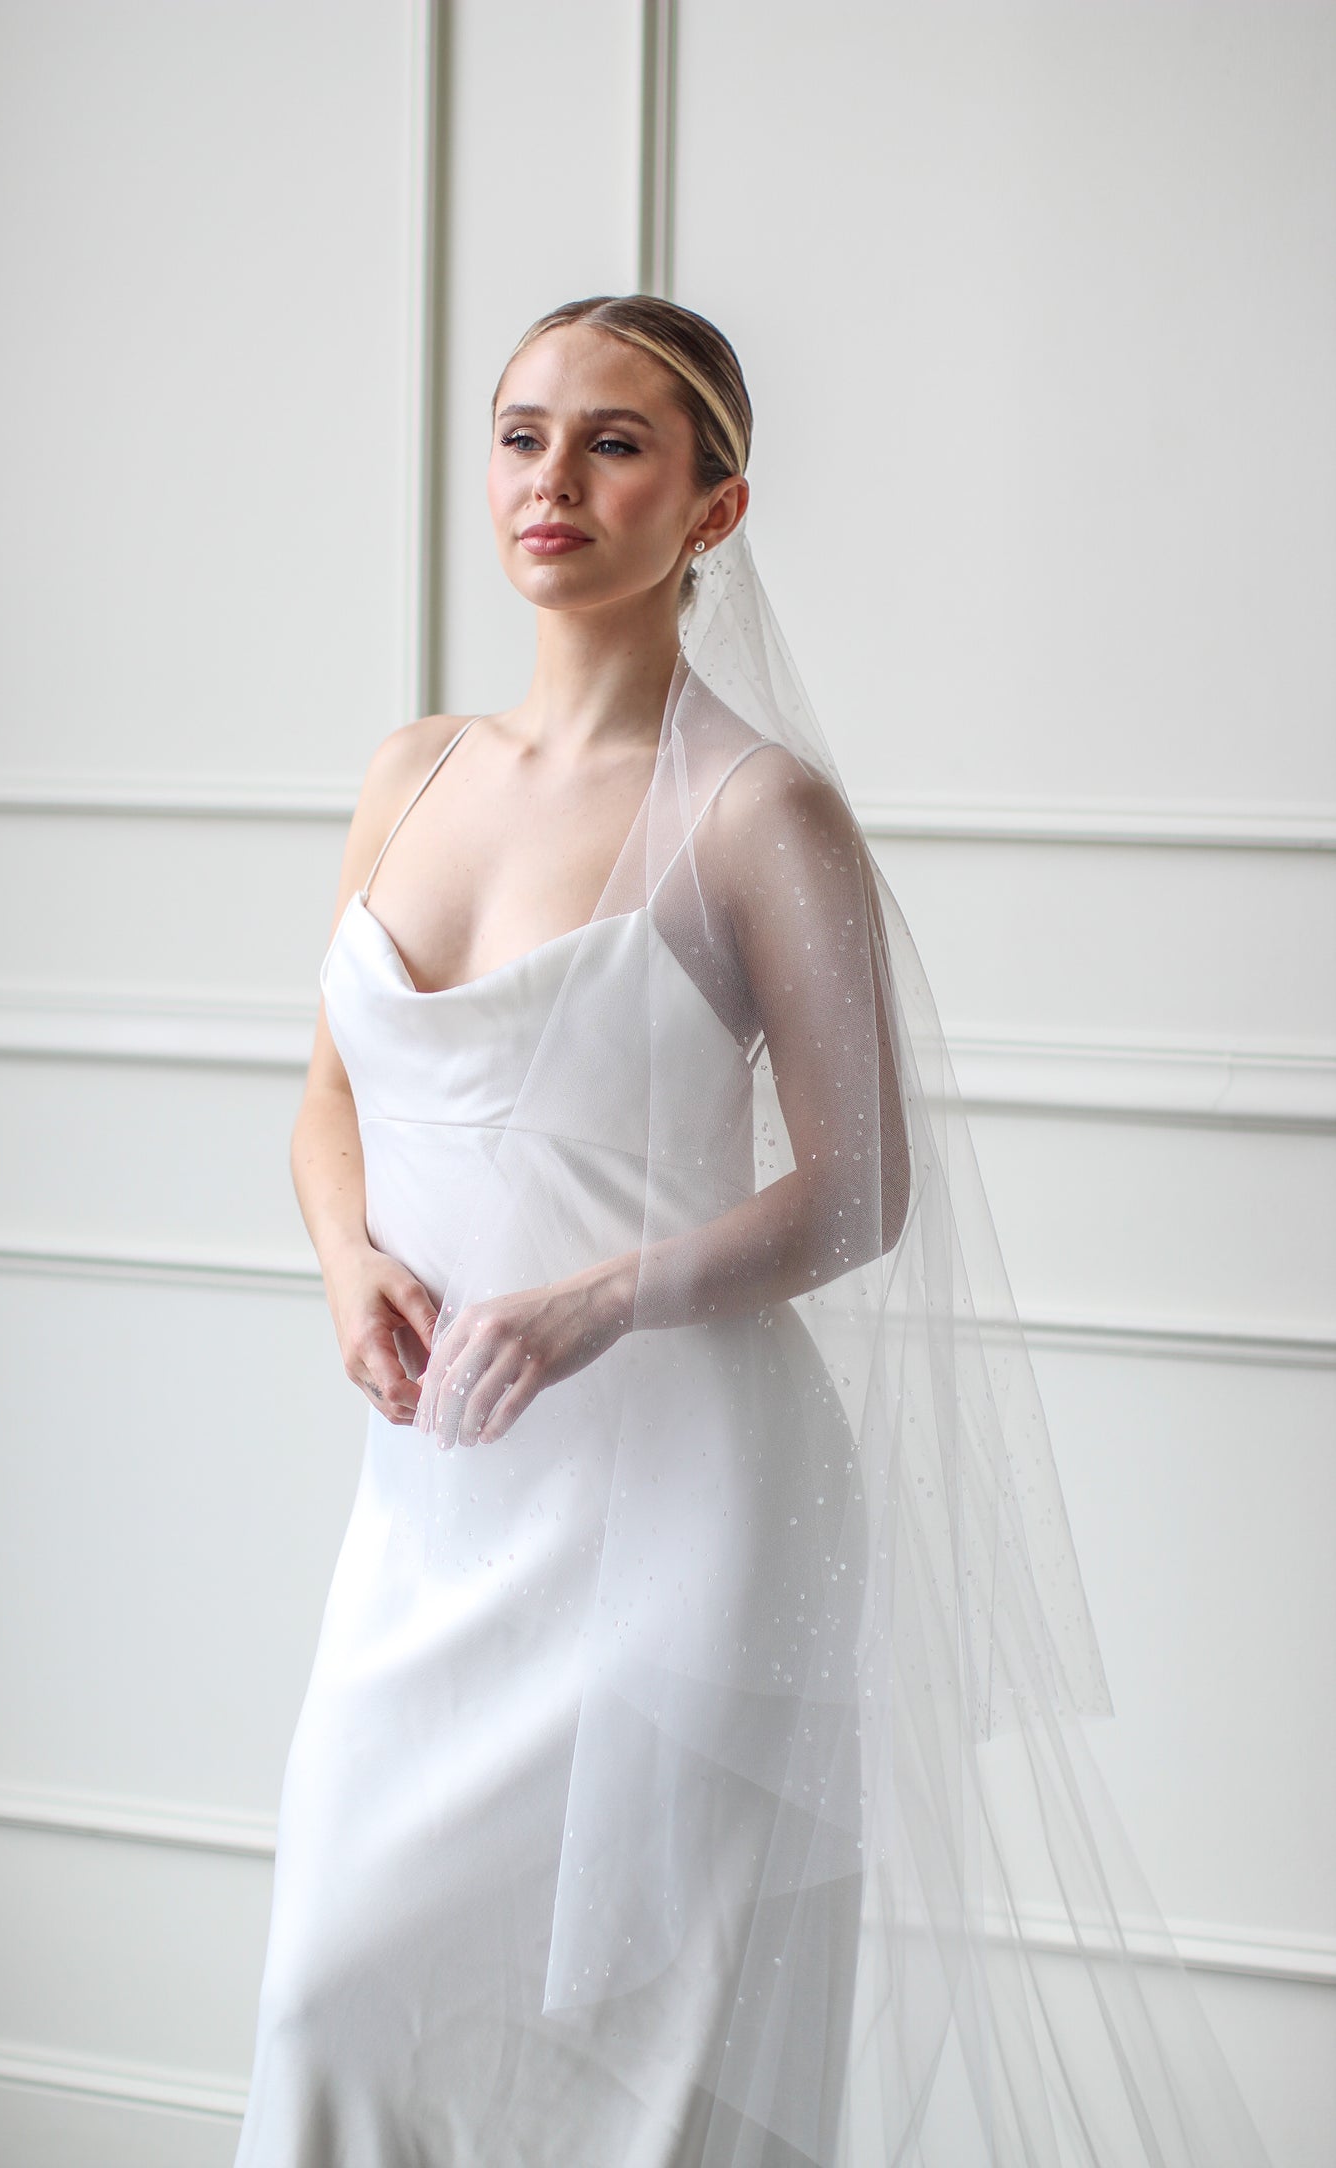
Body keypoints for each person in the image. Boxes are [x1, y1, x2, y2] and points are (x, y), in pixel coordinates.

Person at [232, 297, 1272, 2167]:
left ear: (711, 510)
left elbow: (861, 1186)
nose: (552, 478)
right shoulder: (411, 773)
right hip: (438, 1499)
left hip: (681, 1509)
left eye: (615, 442)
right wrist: (345, 1258)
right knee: (335, 1996)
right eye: (522, 432)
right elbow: (327, 1096)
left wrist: (595, 1305)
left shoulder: (757, 811)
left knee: (653, 2061)